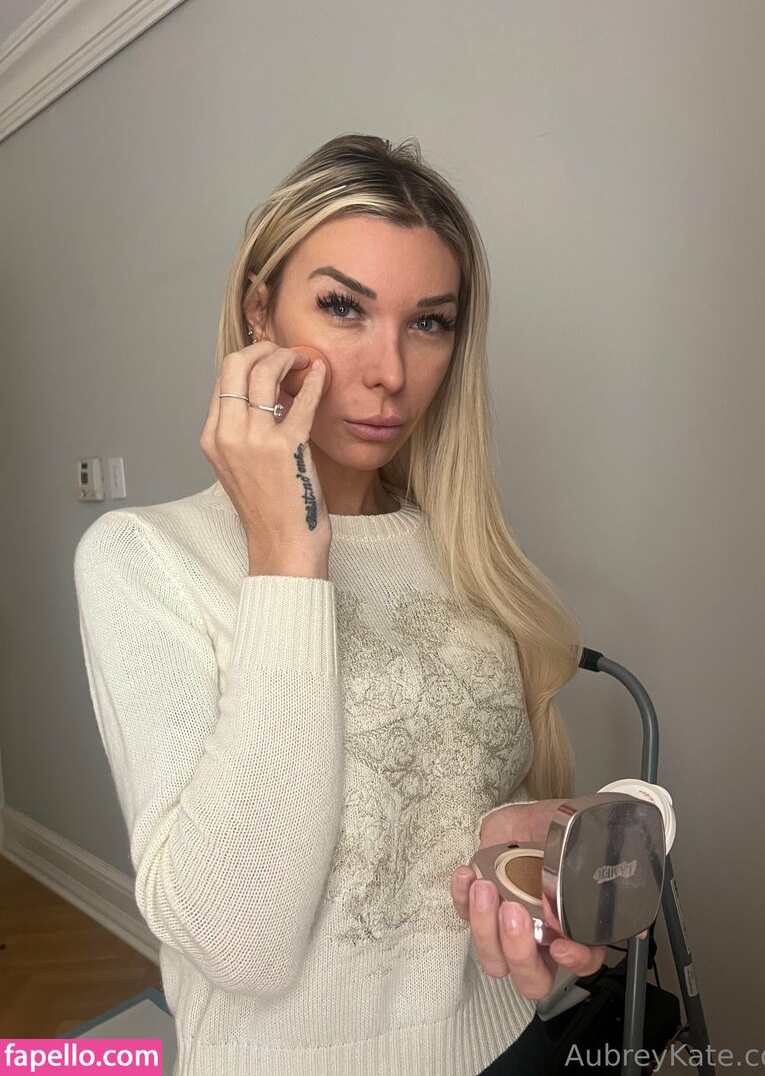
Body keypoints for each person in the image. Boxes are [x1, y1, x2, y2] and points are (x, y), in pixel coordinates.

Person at [73, 133, 606, 1076]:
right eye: (343, 307)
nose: (390, 370)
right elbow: (241, 944)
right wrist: (288, 553)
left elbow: (447, 808)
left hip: (506, 1044)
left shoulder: (460, 550)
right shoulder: (144, 558)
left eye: (428, 322)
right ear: (259, 312)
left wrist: (538, 856)